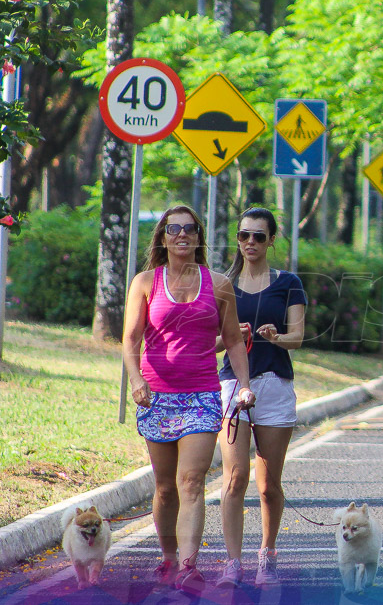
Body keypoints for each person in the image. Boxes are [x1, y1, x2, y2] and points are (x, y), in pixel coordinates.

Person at [123, 206, 254, 594]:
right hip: (157, 396)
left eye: (190, 229)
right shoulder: (145, 282)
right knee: (165, 486)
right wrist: (136, 381)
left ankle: (188, 565)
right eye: (173, 229)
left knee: (191, 480)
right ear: (162, 237)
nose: (182, 235)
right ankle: (167, 556)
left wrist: (243, 385)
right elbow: (130, 340)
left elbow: (232, 340)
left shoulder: (219, 284)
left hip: (201, 396)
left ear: (199, 236)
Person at [216, 207, 307, 588]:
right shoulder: (223, 284)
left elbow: (297, 338)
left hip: (274, 384)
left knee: (268, 485)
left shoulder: (289, 282)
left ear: (271, 240)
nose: (250, 242)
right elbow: (209, 343)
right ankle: (232, 562)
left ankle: (267, 555)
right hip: (232, 386)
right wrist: (232, 336)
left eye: (258, 236)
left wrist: (273, 337)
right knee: (234, 478)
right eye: (243, 235)